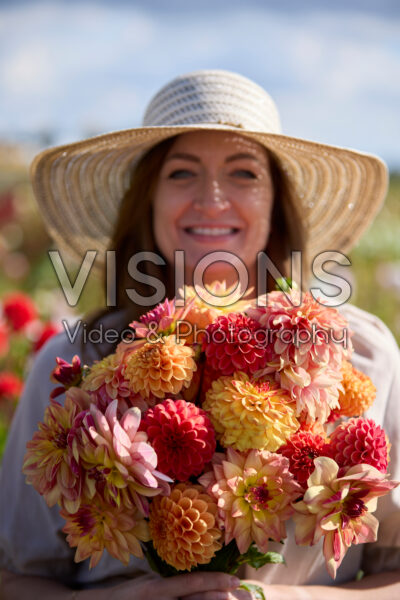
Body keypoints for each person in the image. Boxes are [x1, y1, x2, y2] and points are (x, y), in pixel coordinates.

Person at [0, 69, 399, 599]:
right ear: (149, 199)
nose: (212, 200)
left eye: (244, 173)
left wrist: (284, 597)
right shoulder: (76, 356)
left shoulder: (364, 352)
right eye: (182, 173)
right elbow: (14, 579)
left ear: (276, 202)